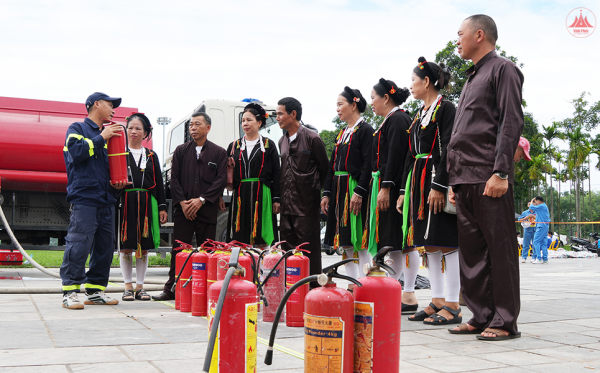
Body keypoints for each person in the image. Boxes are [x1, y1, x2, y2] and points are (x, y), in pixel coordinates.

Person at [446, 15, 524, 340]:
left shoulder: (503, 68)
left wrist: (501, 171)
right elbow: (461, 134)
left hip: (489, 176)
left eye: (460, 34)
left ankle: (504, 320)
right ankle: (480, 315)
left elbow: (510, 120)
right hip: (464, 178)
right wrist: (453, 180)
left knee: (500, 248)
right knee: (473, 252)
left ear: (480, 35)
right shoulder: (470, 78)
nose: (457, 40)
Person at [397, 58, 461, 325]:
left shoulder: (446, 109)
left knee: (447, 241)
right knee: (430, 242)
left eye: (413, 80)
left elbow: (449, 148)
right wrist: (403, 190)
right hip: (418, 182)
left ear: (426, 81)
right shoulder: (419, 114)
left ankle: (454, 303)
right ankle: (436, 299)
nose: (410, 85)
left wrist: (440, 185)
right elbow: (409, 156)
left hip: (436, 179)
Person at [61, 92, 127, 309]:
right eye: (110, 105)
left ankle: (96, 291)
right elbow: (77, 153)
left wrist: (117, 184)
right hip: (85, 199)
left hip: (106, 199)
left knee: (104, 248)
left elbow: (111, 167)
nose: (113, 110)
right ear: (96, 105)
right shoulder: (77, 129)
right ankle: (70, 292)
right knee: (79, 243)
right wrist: (102, 137)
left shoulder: (111, 136)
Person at [152, 112, 227, 301]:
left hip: (206, 209)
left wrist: (201, 200)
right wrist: (183, 203)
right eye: (191, 125)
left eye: (197, 124)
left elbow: (221, 180)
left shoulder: (219, 152)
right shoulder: (181, 151)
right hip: (183, 210)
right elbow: (173, 179)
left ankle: (208, 290)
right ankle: (171, 288)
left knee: (207, 250)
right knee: (179, 249)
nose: (193, 128)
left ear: (208, 128)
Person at [321, 87, 374, 283]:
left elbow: (369, 163)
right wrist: (327, 192)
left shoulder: (366, 130)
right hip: (338, 189)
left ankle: (365, 283)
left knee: (358, 239)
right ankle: (353, 284)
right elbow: (331, 166)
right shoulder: (342, 133)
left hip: (353, 189)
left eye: (340, 104)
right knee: (346, 240)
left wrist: (359, 191)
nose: (337, 108)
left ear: (354, 104)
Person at [363, 79, 411, 287]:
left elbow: (395, 157)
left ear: (386, 97)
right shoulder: (388, 120)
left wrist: (386, 187)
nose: (371, 102)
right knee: (391, 240)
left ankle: (407, 289)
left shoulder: (399, 119)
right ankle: (395, 285)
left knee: (401, 240)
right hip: (383, 184)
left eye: (373, 97)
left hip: (393, 186)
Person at [277, 97, 329, 282]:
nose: (277, 118)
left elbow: (325, 170)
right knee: (288, 249)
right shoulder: (281, 141)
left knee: (309, 250)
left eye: (280, 113)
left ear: (293, 114)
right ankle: (291, 288)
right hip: (286, 206)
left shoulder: (313, 139)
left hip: (307, 205)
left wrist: (316, 192)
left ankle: (313, 287)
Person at [118, 113, 168, 301]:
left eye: (138, 128)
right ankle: (127, 286)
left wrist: (162, 207)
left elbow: (160, 184)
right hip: (126, 203)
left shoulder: (151, 156)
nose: (134, 131)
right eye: (130, 127)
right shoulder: (120, 153)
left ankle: (140, 286)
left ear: (146, 132)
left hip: (147, 204)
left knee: (143, 247)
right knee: (126, 247)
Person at [226, 103, 280, 248]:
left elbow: (277, 174)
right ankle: (242, 267)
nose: (245, 123)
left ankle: (263, 267)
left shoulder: (269, 145)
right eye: (243, 120)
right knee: (239, 237)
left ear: (259, 122)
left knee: (262, 235)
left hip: (263, 194)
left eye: (249, 120)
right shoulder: (234, 146)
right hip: (239, 195)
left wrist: (276, 199)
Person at [524, 196, 550, 264]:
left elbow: (531, 207)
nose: (534, 203)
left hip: (541, 226)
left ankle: (538, 258)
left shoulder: (541, 206)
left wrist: (532, 201)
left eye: (535, 202)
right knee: (544, 243)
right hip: (544, 226)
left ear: (539, 201)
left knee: (535, 242)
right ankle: (545, 258)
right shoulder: (543, 206)